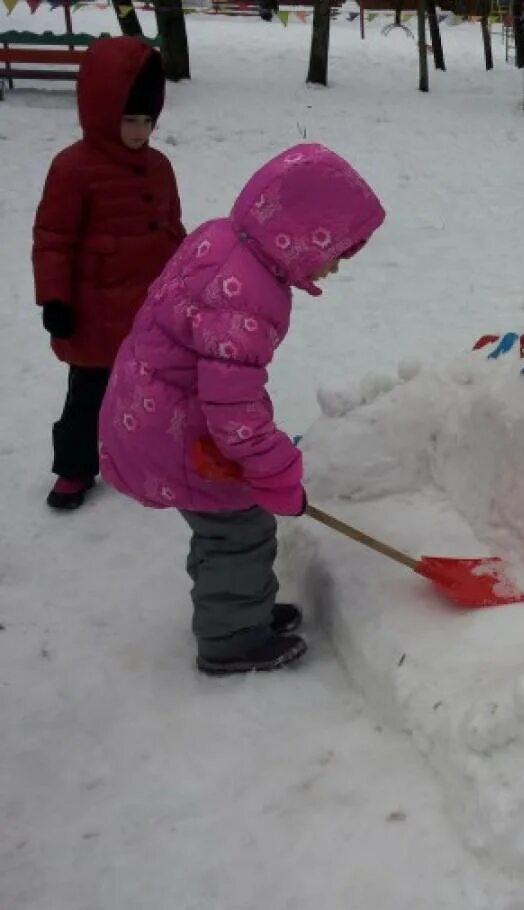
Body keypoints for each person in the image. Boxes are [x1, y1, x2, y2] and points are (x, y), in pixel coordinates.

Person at [99, 144, 386, 674]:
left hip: (158, 415)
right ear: (303, 233)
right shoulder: (248, 295)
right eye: (336, 253)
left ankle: (239, 610)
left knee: (221, 530)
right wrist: (271, 465)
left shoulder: (227, 240)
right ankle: (231, 640)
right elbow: (233, 403)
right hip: (181, 436)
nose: (335, 268)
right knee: (237, 532)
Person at [33, 37, 185, 511]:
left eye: (147, 121)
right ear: (101, 113)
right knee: (88, 396)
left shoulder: (159, 167)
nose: (140, 132)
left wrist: (187, 278)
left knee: (154, 389)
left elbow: (172, 228)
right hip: (96, 313)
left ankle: (147, 455)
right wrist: (55, 299)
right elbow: (53, 238)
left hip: (150, 310)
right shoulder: (73, 168)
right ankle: (74, 469)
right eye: (129, 120)